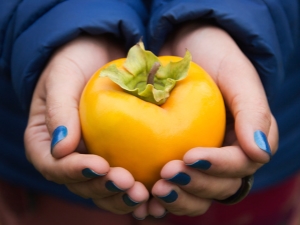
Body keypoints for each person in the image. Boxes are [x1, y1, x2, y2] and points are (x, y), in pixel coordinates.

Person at [0, 1, 299, 225]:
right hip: (41, 177)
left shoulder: (104, 88)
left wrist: (219, 21)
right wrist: (60, 24)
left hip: (271, 161)